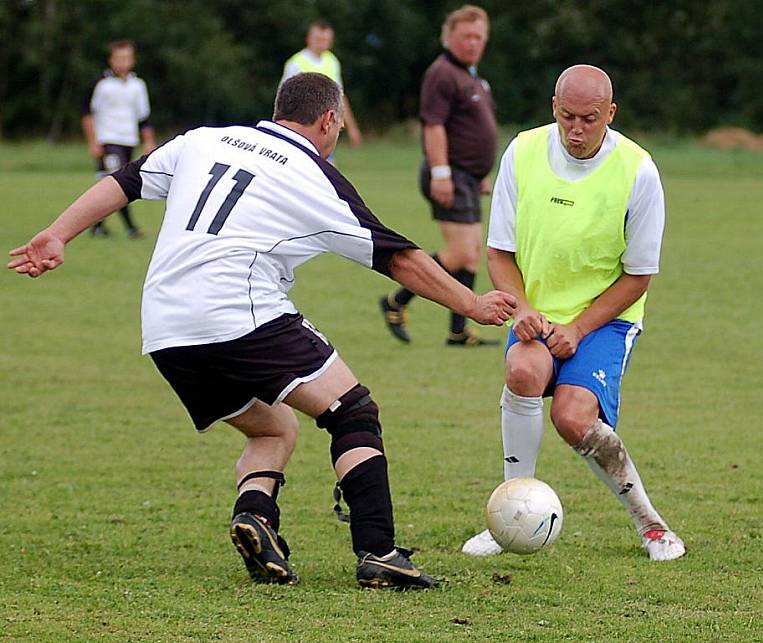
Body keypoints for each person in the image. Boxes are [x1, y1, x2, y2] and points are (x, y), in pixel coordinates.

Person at [9, 73, 516, 588]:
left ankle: (256, 518)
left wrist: (57, 233)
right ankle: (379, 552)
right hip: (237, 312)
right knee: (352, 410)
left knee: (274, 427)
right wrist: (471, 303)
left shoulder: (203, 139)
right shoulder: (314, 174)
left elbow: (125, 181)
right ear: (328, 120)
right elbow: (398, 257)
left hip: (165, 325)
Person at [461, 65, 686, 561]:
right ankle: (510, 515)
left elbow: (639, 274)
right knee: (522, 370)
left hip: (605, 320)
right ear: (553, 109)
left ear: (611, 113)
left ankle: (651, 526)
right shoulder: (522, 152)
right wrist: (522, 308)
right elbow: (499, 252)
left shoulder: (638, 170)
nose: (577, 130)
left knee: (571, 416)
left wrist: (579, 327)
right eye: (567, 117)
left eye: (589, 119)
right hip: (538, 314)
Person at [380, 5, 498, 346]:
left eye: (479, 37)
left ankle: (458, 331)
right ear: (449, 37)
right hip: (450, 174)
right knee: (460, 253)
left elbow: (475, 129)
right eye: (467, 37)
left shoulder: (471, 75)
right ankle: (395, 302)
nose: (474, 43)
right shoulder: (442, 73)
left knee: (472, 252)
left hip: (468, 177)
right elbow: (433, 125)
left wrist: (480, 174)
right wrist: (442, 173)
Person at [81, 39, 156, 239]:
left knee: (108, 181)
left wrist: (148, 142)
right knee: (120, 181)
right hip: (108, 141)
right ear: (111, 59)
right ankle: (131, 228)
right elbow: (87, 113)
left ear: (132, 60)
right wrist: (93, 141)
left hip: (129, 140)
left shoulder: (138, 85)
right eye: (118, 58)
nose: (122, 62)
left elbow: (144, 118)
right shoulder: (101, 84)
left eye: (126, 58)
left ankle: (96, 227)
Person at [281, 21, 362, 149]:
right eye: (319, 39)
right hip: (303, 126)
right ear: (309, 39)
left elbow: (340, 97)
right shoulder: (296, 63)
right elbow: (284, 101)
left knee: (327, 166)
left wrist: (352, 128)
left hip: (325, 128)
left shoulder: (332, 61)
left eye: (326, 40)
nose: (323, 43)